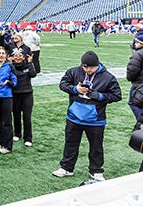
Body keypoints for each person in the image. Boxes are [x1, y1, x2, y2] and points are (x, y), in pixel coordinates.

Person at [52, 51, 122, 181]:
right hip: (74, 117)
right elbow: (62, 84)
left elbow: (117, 95)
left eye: (90, 67)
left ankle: (96, 171)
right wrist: (75, 89)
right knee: (70, 143)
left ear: (97, 65)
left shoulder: (108, 77)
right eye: (85, 67)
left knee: (96, 146)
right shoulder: (74, 71)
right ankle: (67, 167)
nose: (87, 70)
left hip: (95, 120)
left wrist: (100, 96)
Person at [11, 49, 37, 147]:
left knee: (27, 117)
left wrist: (30, 63)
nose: (18, 57)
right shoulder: (11, 66)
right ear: (13, 57)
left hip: (27, 94)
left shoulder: (27, 65)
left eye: (20, 56)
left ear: (24, 57)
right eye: (16, 56)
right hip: (15, 94)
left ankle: (28, 138)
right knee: (16, 115)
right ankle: (17, 133)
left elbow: (33, 74)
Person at [126, 30, 143, 121]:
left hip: (139, 85)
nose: (135, 44)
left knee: (132, 102)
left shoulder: (138, 55)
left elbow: (132, 71)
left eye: (137, 42)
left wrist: (130, 78)